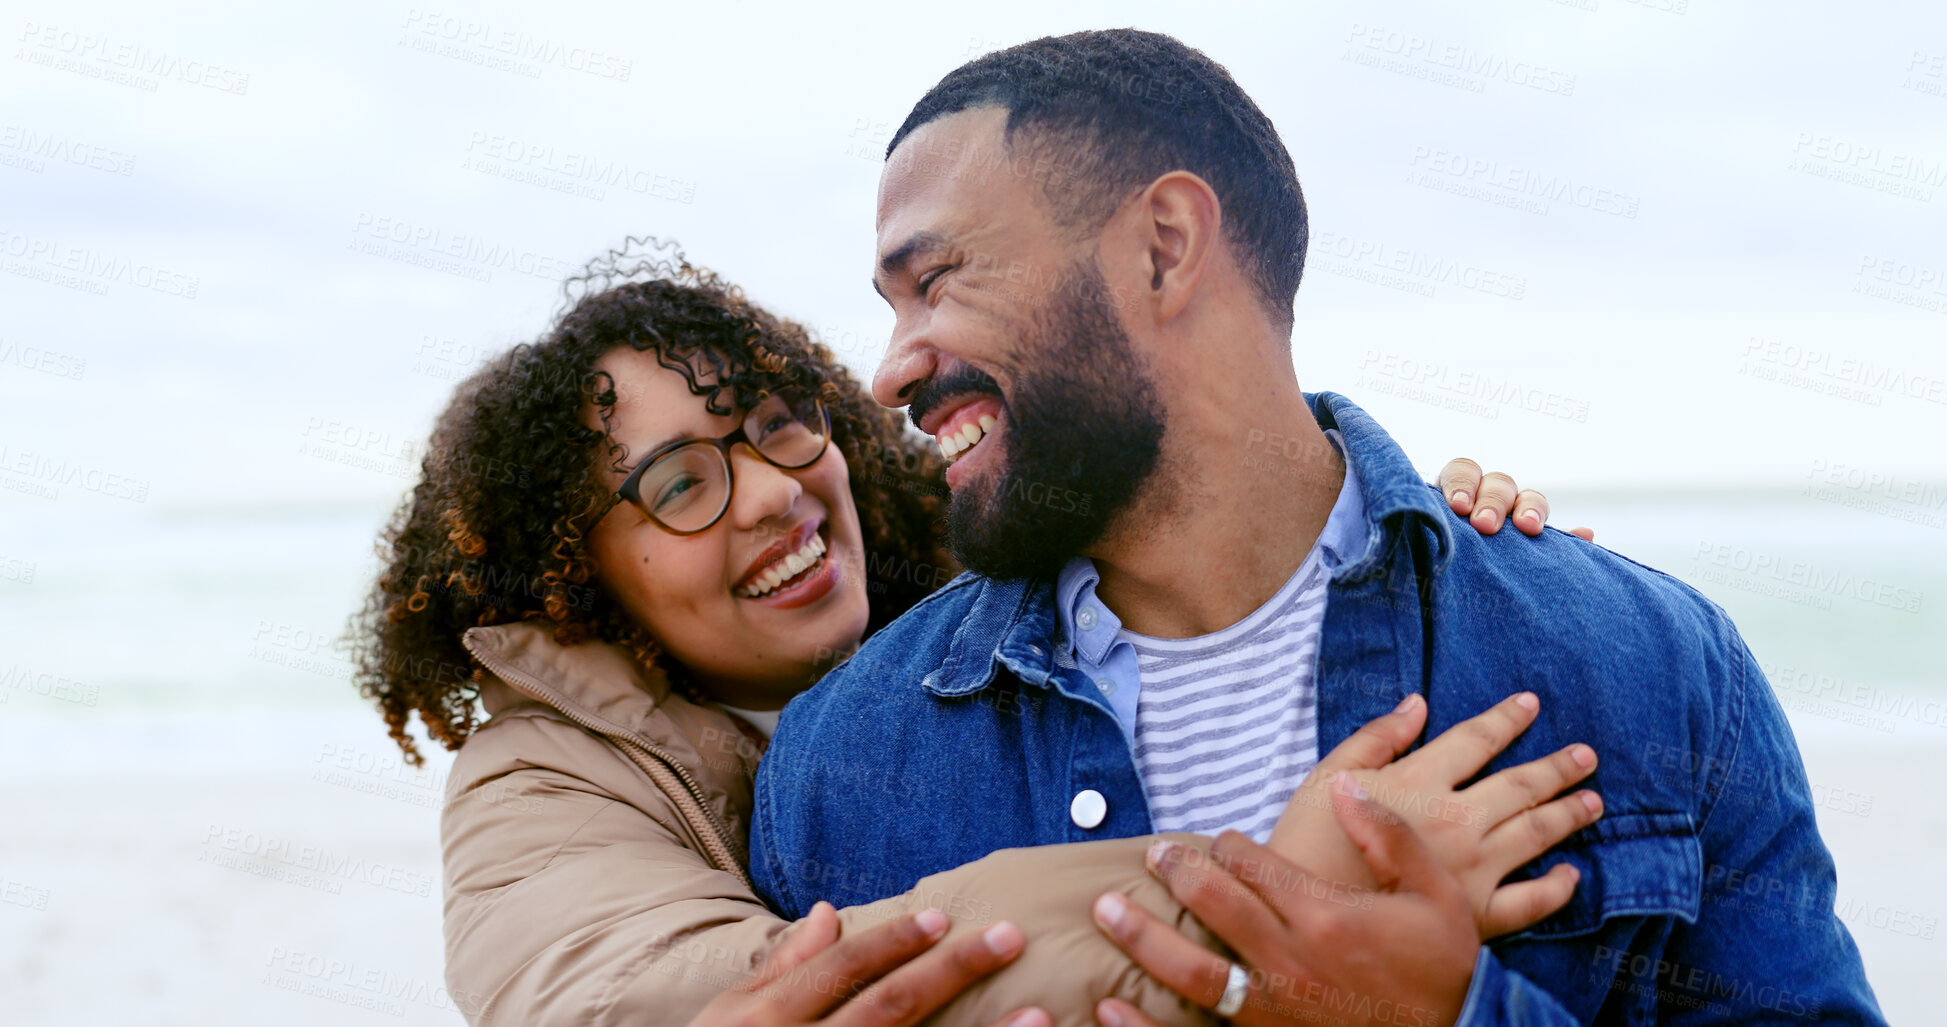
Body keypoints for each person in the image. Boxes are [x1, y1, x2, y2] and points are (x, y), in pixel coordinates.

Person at [746, 30, 1886, 1026]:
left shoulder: (1651, 667)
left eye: (936, 281)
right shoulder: (840, 761)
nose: (892, 368)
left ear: (1165, 245)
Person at [350, 242, 1590, 1027]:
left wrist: (1414, 529)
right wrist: (1285, 884)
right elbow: (749, 1004)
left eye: (782, 422)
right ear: (574, 578)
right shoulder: (538, 786)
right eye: (680, 486)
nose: (779, 490)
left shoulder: (1004, 594)